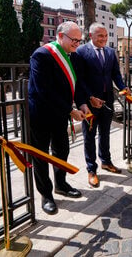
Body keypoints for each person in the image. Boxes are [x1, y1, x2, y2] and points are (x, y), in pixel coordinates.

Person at [28, 21, 86, 215]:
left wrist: (82, 103)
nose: (77, 44)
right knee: (41, 155)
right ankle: (46, 194)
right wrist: (70, 110)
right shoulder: (41, 55)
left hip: (60, 115)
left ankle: (60, 185)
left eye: (79, 40)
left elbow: (75, 85)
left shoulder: (73, 57)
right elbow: (44, 91)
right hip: (41, 115)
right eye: (74, 40)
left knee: (62, 150)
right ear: (60, 36)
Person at [72, 22, 127, 188]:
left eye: (105, 35)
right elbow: (79, 79)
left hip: (107, 100)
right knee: (89, 136)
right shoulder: (80, 52)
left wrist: (123, 87)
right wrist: (89, 97)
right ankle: (91, 170)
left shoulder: (111, 52)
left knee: (105, 133)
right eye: (100, 36)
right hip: (89, 103)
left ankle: (106, 161)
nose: (104, 39)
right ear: (91, 36)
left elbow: (116, 74)